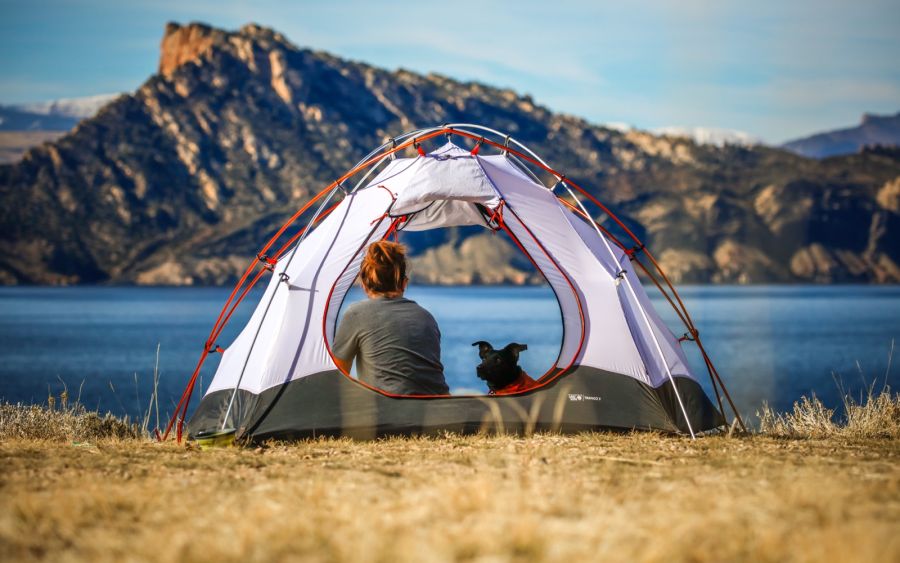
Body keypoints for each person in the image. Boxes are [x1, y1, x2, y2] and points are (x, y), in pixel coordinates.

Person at [332, 240, 449, 395]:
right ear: (404, 283)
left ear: (364, 284)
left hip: (387, 408)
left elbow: (339, 376)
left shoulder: (356, 314)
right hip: (440, 406)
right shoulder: (426, 317)